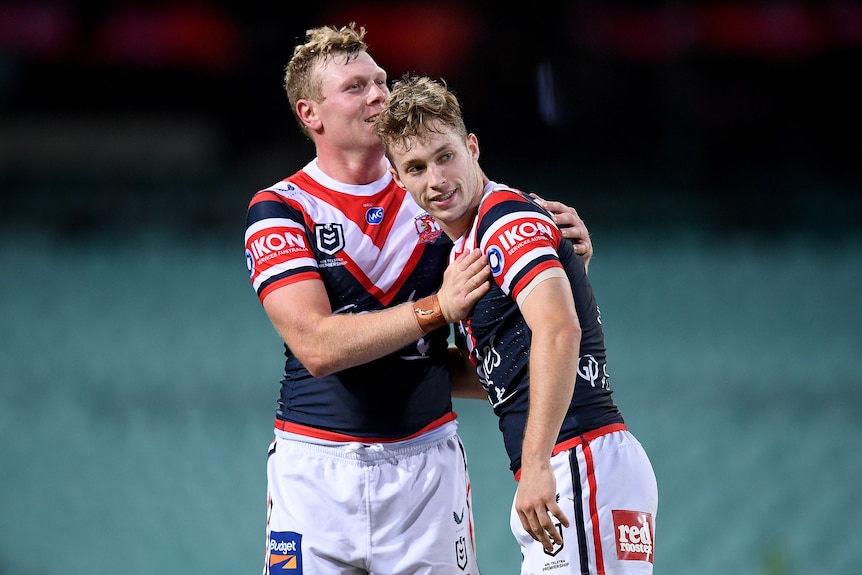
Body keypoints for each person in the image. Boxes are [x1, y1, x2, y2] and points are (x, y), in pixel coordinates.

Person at [244, 23, 594, 575]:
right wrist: (436, 310)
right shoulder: (280, 210)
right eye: (356, 87)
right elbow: (315, 345)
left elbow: (527, 296)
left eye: (381, 81)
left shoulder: (433, 185)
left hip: (427, 470)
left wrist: (569, 258)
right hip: (315, 474)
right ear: (311, 114)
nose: (379, 95)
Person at [375, 74, 658, 575]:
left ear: (472, 147)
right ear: (399, 179)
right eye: (416, 168)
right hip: (575, 462)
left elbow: (559, 331)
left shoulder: (503, 220)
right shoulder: (470, 244)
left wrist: (536, 464)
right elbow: (516, 365)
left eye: (445, 156)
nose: (436, 180)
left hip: (577, 459)